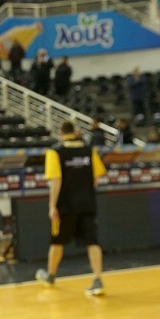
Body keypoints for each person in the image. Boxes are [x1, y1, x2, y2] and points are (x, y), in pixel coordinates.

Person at [35, 121, 107, 297]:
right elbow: (96, 179)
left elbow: (56, 180)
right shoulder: (89, 149)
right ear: (75, 132)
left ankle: (50, 276)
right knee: (92, 242)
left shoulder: (55, 151)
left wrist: (52, 205)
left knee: (57, 241)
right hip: (87, 203)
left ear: (61, 133)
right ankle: (98, 280)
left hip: (65, 206)